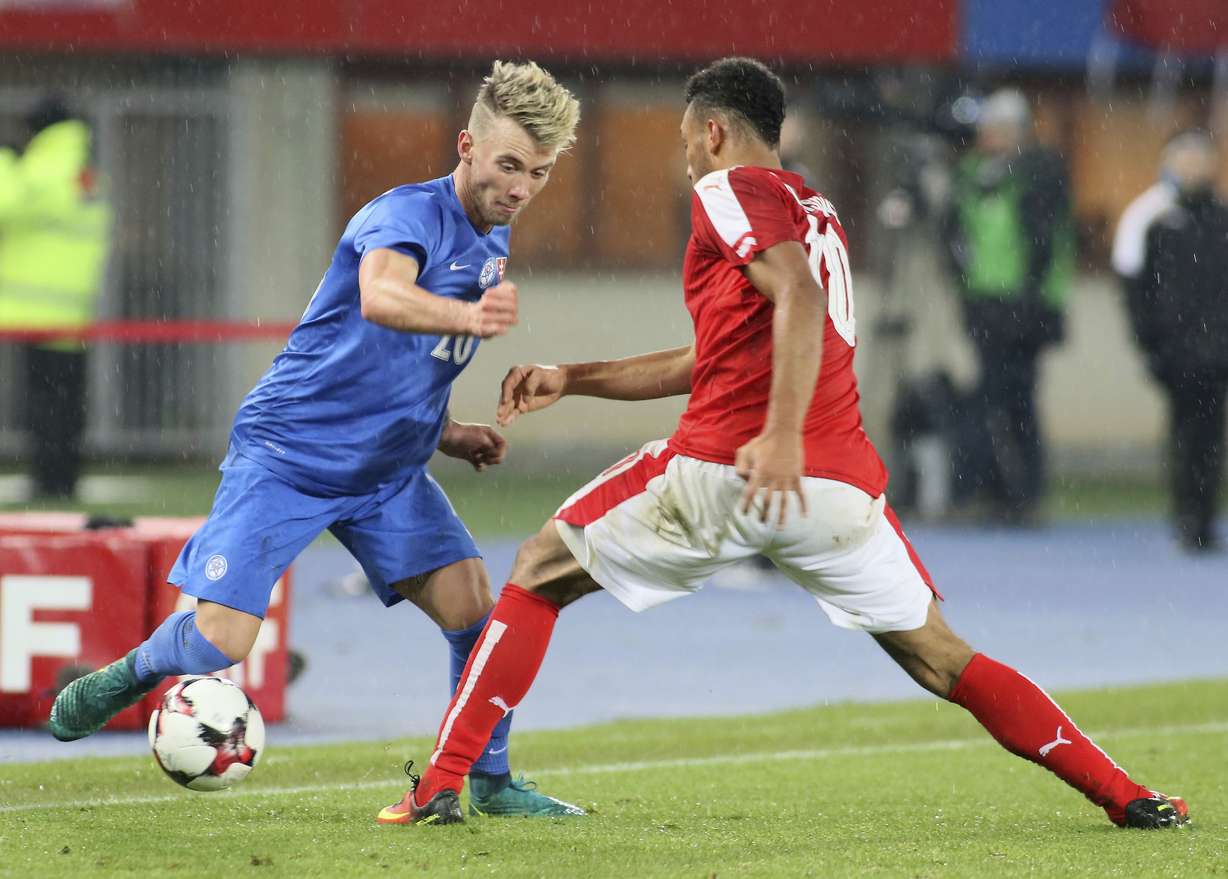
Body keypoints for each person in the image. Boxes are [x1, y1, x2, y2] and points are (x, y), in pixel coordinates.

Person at [381, 58, 1189, 831]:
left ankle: (444, 785)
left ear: (714, 135)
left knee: (535, 571)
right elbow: (717, 354)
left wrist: (775, 437)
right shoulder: (815, 211)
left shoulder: (728, 188)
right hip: (838, 493)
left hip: (730, 466)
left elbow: (796, 297)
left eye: (685, 141)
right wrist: (576, 376)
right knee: (946, 657)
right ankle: (1127, 794)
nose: (687, 159)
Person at [48, 61, 584, 818]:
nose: (522, 186)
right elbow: (381, 296)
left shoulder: (491, 240)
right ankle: (127, 676)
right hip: (290, 455)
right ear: (466, 146)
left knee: (475, 610)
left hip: (386, 471)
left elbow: (395, 373)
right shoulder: (402, 215)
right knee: (221, 641)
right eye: (507, 165)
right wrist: (467, 317)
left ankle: (488, 780)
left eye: (538, 171)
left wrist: (450, 432)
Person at [943, 89, 1074, 524]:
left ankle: (1024, 495)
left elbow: (1042, 241)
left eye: (1002, 130)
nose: (993, 138)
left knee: (1016, 399)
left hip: (1026, 307)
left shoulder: (1039, 170)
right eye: (989, 130)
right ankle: (995, 492)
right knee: (990, 399)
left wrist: (1030, 303)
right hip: (985, 302)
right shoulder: (970, 176)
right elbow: (954, 236)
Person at [1113, 130, 1228, 553]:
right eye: (1186, 157)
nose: (1195, 165)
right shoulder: (1149, 217)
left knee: (1211, 437)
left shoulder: (1220, 219)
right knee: (1184, 434)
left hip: (1216, 352)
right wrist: (1150, 345)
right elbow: (1132, 287)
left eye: (1203, 157)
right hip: (1175, 352)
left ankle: (1204, 518)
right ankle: (1185, 515)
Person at [0, 96, 111, 499]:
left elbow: (4, 204)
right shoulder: (82, 168)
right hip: (71, 307)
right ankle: (64, 478)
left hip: (35, 308)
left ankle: (49, 481)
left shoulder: (45, 165)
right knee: (65, 403)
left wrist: (5, 161)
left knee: (44, 404)